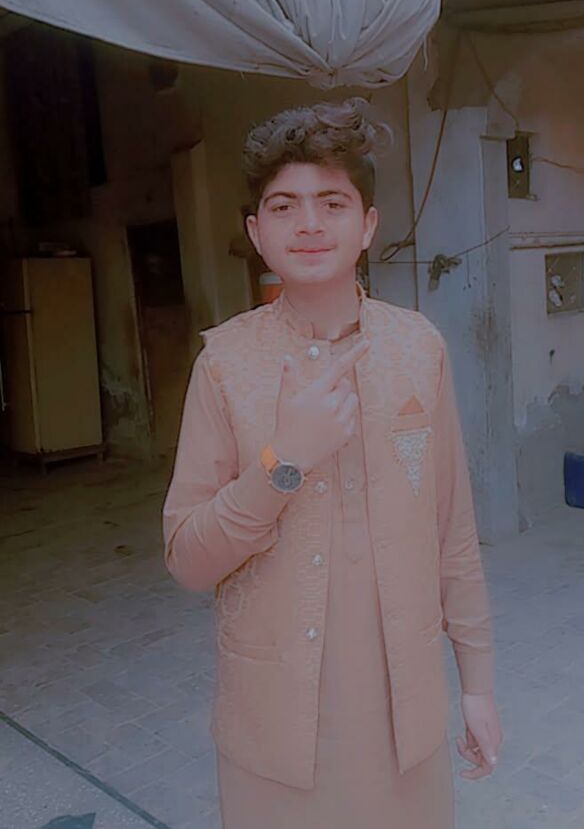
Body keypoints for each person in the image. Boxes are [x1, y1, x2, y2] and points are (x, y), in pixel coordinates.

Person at [162, 97, 503, 828]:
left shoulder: (418, 349)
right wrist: (283, 461)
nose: (309, 223)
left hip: (405, 722)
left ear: (368, 225)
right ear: (256, 233)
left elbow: (453, 533)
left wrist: (476, 684)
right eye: (284, 206)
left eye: (332, 202)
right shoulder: (225, 365)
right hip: (275, 733)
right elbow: (187, 559)